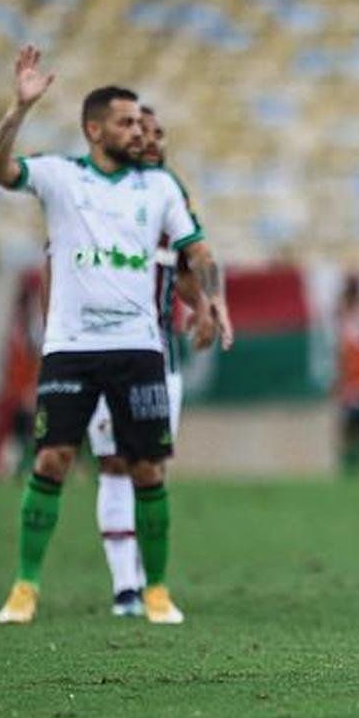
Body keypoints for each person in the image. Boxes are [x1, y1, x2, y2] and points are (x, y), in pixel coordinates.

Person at [0, 46, 224, 625]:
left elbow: (197, 250)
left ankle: (156, 590)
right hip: (70, 348)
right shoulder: (61, 177)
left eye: (140, 122)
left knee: (147, 469)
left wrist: (210, 300)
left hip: (139, 348)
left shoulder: (159, 187)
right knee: (52, 460)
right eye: (125, 122)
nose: (136, 131)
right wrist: (18, 109)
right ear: (94, 129)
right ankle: (25, 586)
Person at [82, 103, 232, 617]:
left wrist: (209, 306)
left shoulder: (170, 192)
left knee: (151, 466)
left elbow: (191, 262)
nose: (150, 138)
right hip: (98, 348)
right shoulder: (98, 191)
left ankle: (149, 581)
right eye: (141, 130)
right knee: (113, 462)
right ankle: (126, 585)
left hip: (158, 352)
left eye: (158, 131)